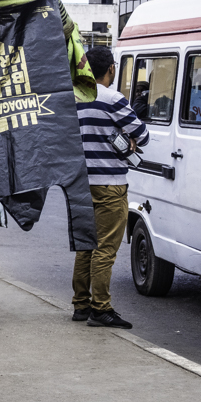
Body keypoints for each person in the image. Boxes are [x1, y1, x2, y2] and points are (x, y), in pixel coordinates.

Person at [73, 46, 149, 329]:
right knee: (105, 249)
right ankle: (100, 308)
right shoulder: (112, 98)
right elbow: (143, 135)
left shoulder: (74, 97)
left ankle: (81, 305)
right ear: (111, 69)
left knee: (86, 246)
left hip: (82, 183)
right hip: (110, 184)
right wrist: (129, 138)